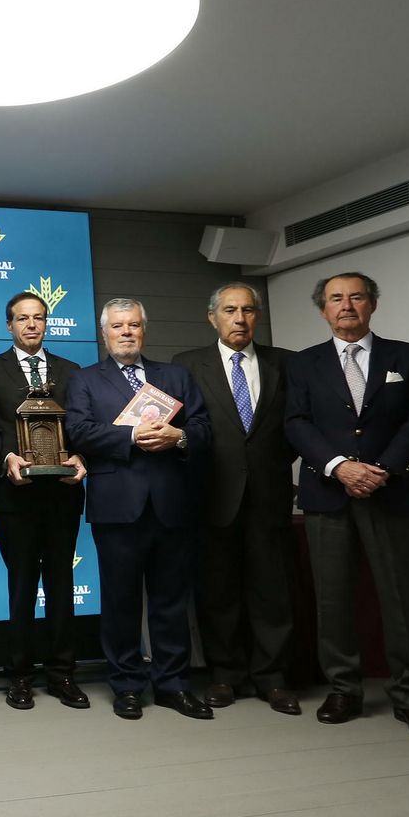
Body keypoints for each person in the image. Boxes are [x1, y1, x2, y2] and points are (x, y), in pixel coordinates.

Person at [284, 272, 409, 738]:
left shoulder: (407, 357)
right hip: (327, 493)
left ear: (372, 304)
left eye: (356, 297)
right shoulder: (304, 364)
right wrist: (339, 466)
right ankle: (343, 690)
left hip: (394, 492)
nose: (347, 305)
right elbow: (295, 422)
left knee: (404, 599)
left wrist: (383, 469)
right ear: (323, 310)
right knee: (332, 598)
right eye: (336, 299)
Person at [65, 297, 213, 722]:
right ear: (104, 333)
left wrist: (178, 437)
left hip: (172, 503)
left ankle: (173, 685)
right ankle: (127, 685)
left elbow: (203, 428)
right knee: (120, 602)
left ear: (143, 330)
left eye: (133, 325)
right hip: (117, 507)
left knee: (171, 602)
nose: (126, 332)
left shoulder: (175, 375)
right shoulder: (85, 380)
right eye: (117, 326)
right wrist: (130, 436)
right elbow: (78, 431)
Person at [173, 283, 301, 715]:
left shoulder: (286, 363)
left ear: (257, 317)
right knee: (218, 591)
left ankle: (273, 678)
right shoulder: (187, 365)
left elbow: (297, 427)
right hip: (212, 495)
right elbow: (184, 427)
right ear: (213, 318)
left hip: (270, 493)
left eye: (248, 310)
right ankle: (225, 675)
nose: (240, 319)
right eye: (230, 310)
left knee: (272, 591)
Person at [0, 291, 88, 712]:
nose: (31, 325)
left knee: (62, 583)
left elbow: (84, 425)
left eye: (39, 318)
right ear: (8, 325)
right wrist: (7, 457)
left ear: (47, 324)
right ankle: (20, 675)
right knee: (22, 584)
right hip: (16, 495)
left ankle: (63, 673)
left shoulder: (72, 371)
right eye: (22, 319)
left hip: (63, 493)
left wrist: (83, 455)